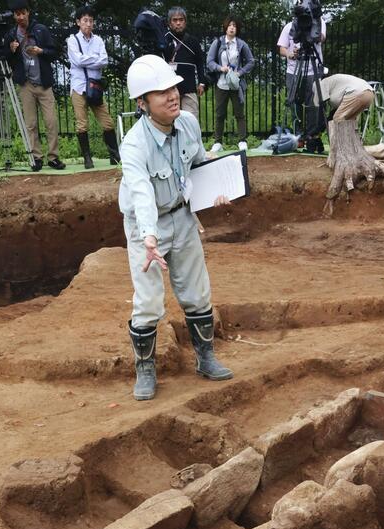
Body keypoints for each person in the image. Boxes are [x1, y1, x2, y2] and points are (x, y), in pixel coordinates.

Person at [119, 55, 233, 401]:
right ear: (142, 103)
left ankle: (206, 358)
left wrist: (219, 184)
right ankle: (145, 370)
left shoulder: (187, 123)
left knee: (197, 292)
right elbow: (140, 193)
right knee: (150, 302)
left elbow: (198, 162)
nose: (172, 95)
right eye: (160, 92)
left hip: (182, 216)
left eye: (173, 87)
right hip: (146, 224)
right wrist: (149, 238)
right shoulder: (134, 145)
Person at [3, 0, 66, 171]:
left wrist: (41, 51)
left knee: (51, 122)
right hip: (26, 84)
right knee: (30, 123)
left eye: (23, 13)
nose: (21, 17)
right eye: (17, 14)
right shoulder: (11, 35)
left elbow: (55, 52)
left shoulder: (41, 30)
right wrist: (12, 50)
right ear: (14, 16)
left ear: (28, 12)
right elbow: (7, 59)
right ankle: (36, 158)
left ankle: (53, 157)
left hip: (44, 83)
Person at [67, 6, 120, 169]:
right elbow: (78, 61)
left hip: (95, 87)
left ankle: (114, 156)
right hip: (79, 86)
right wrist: (95, 59)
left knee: (107, 122)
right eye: (85, 20)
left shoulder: (98, 40)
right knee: (82, 124)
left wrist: (89, 59)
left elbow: (104, 60)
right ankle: (87, 158)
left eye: (91, 20)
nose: (88, 24)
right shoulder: (72, 40)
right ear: (78, 22)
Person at [277, 14, 326, 151]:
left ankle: (311, 136)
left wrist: (312, 35)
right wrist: (290, 54)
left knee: (313, 104)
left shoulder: (319, 22)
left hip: (313, 69)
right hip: (293, 71)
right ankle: (298, 136)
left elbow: (322, 38)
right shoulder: (289, 26)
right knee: (294, 102)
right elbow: (281, 47)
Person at [206, 17, 255, 152]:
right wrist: (220, 68)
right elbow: (209, 61)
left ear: (237, 29)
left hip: (236, 84)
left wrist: (240, 72)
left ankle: (242, 140)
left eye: (234, 26)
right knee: (220, 113)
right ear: (225, 27)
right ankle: (218, 142)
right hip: (221, 83)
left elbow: (251, 61)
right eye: (230, 25)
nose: (232, 28)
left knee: (239, 113)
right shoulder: (217, 42)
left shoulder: (241, 44)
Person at [164, 6, 206, 120]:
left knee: (191, 120)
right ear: (170, 23)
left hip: (189, 88)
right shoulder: (164, 40)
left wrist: (201, 82)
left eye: (181, 20)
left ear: (185, 22)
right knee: (171, 122)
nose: (178, 23)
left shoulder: (193, 41)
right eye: (175, 20)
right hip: (170, 89)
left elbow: (200, 62)